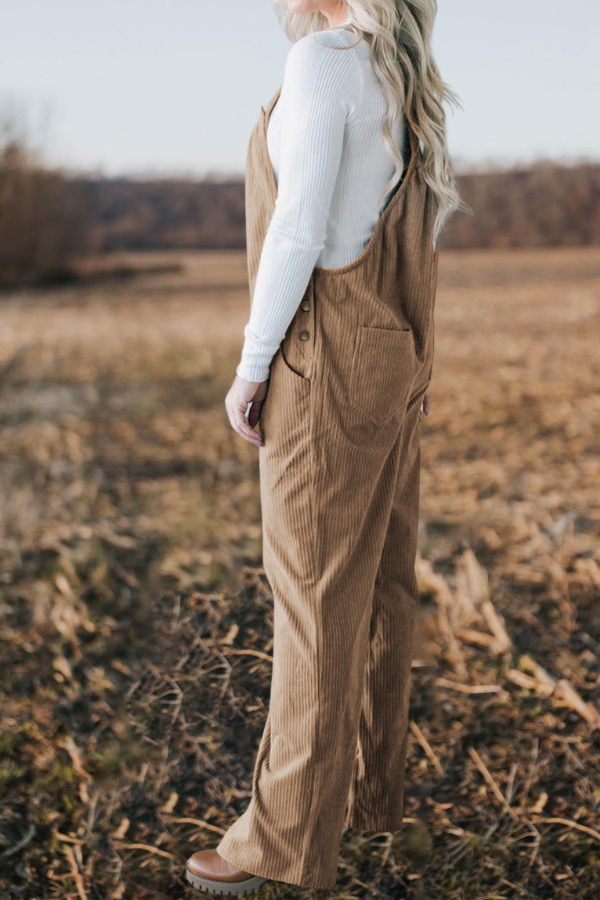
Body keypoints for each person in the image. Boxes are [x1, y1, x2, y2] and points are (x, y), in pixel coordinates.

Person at [187, 0, 467, 893]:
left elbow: (299, 229)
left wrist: (249, 365)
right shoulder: (398, 69)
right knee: (378, 584)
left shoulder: (327, 63)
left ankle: (278, 847)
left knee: (309, 597)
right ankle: (362, 797)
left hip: (321, 357)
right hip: (387, 348)